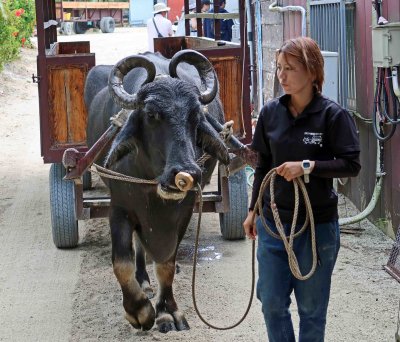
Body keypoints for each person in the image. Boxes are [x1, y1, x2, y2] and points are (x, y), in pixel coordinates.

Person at [243, 37, 361, 342]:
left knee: (311, 309)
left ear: (312, 72)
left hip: (316, 228)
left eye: (290, 68)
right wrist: (253, 209)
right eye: (279, 68)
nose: (281, 75)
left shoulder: (333, 116)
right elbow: (263, 165)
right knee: (270, 303)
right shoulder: (270, 114)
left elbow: (351, 165)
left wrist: (307, 166)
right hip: (273, 224)